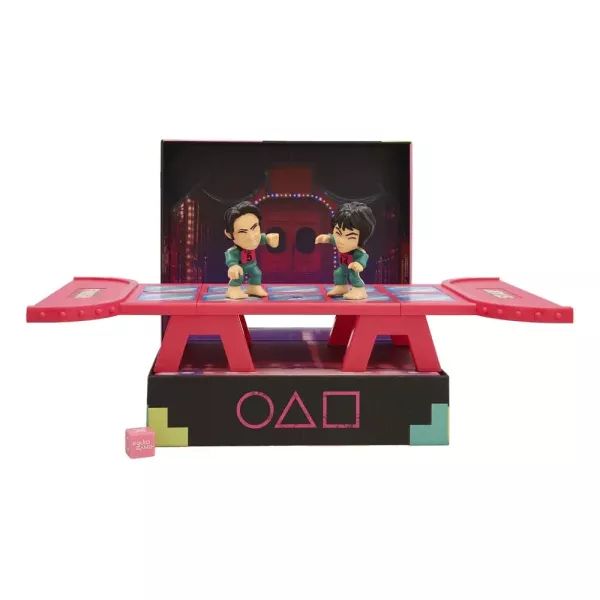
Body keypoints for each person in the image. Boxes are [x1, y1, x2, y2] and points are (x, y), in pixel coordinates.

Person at [315, 202, 375, 300]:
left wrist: (359, 264)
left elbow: (364, 257)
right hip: (343, 266)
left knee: (353, 276)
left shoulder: (358, 252)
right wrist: (326, 238)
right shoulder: (338, 241)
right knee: (338, 273)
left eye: (350, 237)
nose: (341, 241)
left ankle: (359, 290)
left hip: (352, 268)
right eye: (338, 233)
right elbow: (333, 239)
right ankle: (341, 287)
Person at [224, 201, 279, 299]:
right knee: (238, 277)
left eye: (254, 228)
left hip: (251, 265)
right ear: (229, 234)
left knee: (257, 273)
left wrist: (269, 238)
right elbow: (231, 260)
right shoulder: (233, 251)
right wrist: (233, 266)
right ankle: (233, 290)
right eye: (242, 232)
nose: (251, 236)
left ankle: (254, 287)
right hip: (240, 267)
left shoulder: (256, 239)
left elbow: (263, 238)